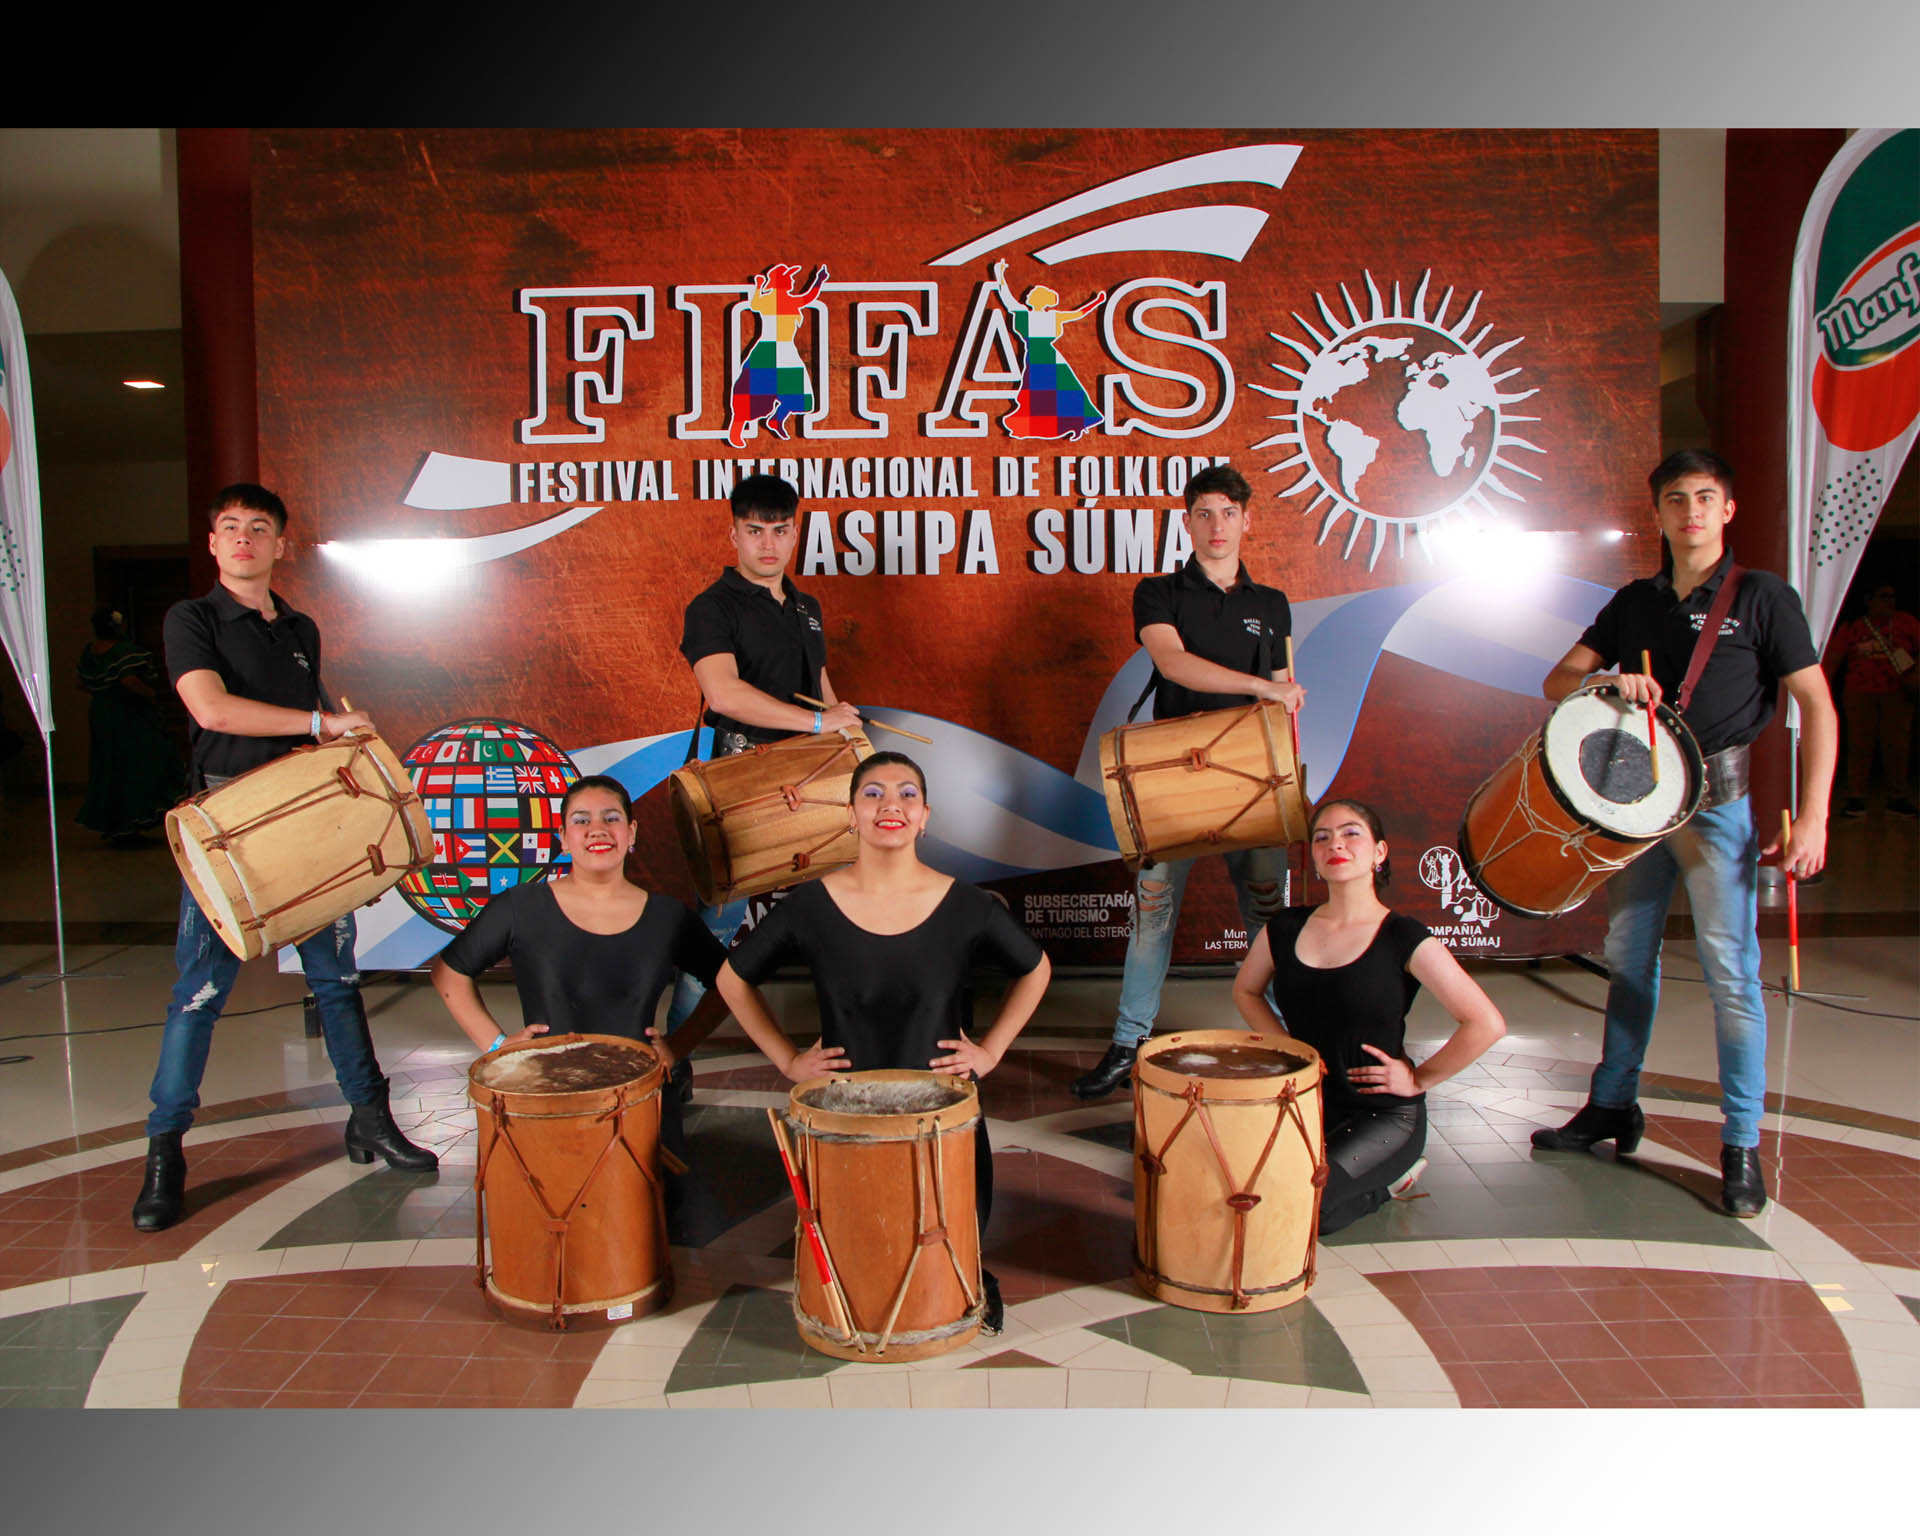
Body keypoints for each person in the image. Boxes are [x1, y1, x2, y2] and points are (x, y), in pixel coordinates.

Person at [1531, 449, 1838, 1217]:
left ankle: (1742, 1144)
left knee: (1732, 974)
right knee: (1628, 959)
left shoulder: (1764, 597)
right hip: (1637, 810)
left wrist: (1816, 815)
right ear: (1658, 513)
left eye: (1705, 497)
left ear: (1727, 510)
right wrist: (1606, 680)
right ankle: (1612, 1104)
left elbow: (1817, 706)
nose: (1691, 511)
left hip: (1718, 810)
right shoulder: (1635, 601)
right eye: (1676, 498)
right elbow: (1556, 681)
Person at [135, 484, 436, 1233]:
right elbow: (211, 709)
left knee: (337, 981)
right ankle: (165, 1152)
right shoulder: (193, 618)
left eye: (258, 527)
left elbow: (318, 743)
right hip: (228, 827)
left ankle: (369, 1117)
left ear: (280, 544)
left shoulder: (300, 627)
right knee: (200, 993)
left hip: (306, 824)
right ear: (214, 543)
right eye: (230, 526)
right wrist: (319, 722)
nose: (243, 538)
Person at [714, 752, 1052, 1332]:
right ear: (850, 814)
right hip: (842, 1113)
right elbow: (732, 979)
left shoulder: (967, 904)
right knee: (858, 1237)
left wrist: (991, 1051)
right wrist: (789, 1060)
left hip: (943, 1113)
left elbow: (1036, 969)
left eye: (906, 794)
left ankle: (970, 1277)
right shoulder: (809, 905)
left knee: (951, 1226)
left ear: (925, 817)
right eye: (872, 793)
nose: (889, 804)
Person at [1072, 463, 1304, 1099]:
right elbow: (1172, 662)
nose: (1216, 525)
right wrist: (1263, 687)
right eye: (1204, 513)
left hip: (1252, 775)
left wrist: (1281, 703)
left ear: (1246, 520)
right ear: (1188, 522)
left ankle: (1283, 1042)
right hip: (1173, 771)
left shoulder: (1271, 603)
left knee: (1266, 914)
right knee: (1151, 914)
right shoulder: (1159, 591)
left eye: (1228, 513)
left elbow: (1282, 692)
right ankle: (1128, 1044)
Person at [663, 473, 861, 1095]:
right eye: (755, 531)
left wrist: (848, 737)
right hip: (743, 785)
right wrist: (819, 722)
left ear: (796, 533)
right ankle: (672, 1063)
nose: (768, 544)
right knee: (716, 934)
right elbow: (723, 694)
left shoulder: (806, 607)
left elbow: (820, 690)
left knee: (843, 918)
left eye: (780, 531)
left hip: (811, 783)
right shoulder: (712, 606)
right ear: (734, 535)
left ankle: (853, 1055)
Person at [1232, 799, 1506, 1233]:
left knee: (1308, 1211)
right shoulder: (1284, 927)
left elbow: (1486, 1023)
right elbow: (1246, 991)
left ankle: (1391, 1184)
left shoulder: (1402, 935)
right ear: (1313, 857)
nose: (1335, 844)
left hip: (1382, 1115)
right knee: (1240, 1191)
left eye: (1350, 833)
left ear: (1379, 852)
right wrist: (1285, 1045)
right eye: (1322, 838)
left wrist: (1419, 1079)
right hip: (1308, 1102)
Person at [429, 775, 730, 1060]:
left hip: (641, 1089)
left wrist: (678, 1046)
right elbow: (448, 973)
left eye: (611, 818)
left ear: (632, 832)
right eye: (581, 820)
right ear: (563, 837)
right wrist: (498, 1044)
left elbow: (730, 984)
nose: (597, 829)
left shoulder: (668, 916)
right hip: (547, 1086)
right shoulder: (521, 906)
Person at [76, 606, 180, 845]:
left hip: (102, 713)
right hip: (128, 713)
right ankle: (130, 822)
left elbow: (80, 683)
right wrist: (151, 694)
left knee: (110, 764)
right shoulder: (125, 651)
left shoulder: (90, 652)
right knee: (141, 762)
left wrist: (102, 693)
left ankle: (117, 824)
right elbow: (129, 680)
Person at [1825, 582, 1918, 819]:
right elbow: (1833, 659)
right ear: (1869, 600)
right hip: (1859, 694)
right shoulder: (1853, 627)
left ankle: (1898, 797)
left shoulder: (1907, 623)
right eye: (1883, 596)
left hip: (1897, 694)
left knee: (1897, 746)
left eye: (1892, 596)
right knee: (1859, 745)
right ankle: (1856, 797)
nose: (1889, 601)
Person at [991, 259, 1107, 442]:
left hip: (1048, 357)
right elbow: (1006, 297)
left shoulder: (1054, 316)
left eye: (1032, 294)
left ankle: (1075, 424)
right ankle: (1041, 426)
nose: (1028, 296)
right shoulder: (1023, 313)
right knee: (1038, 393)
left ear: (1039, 299)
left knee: (1065, 390)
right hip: (1036, 357)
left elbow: (1078, 314)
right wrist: (1000, 274)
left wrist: (1097, 301)